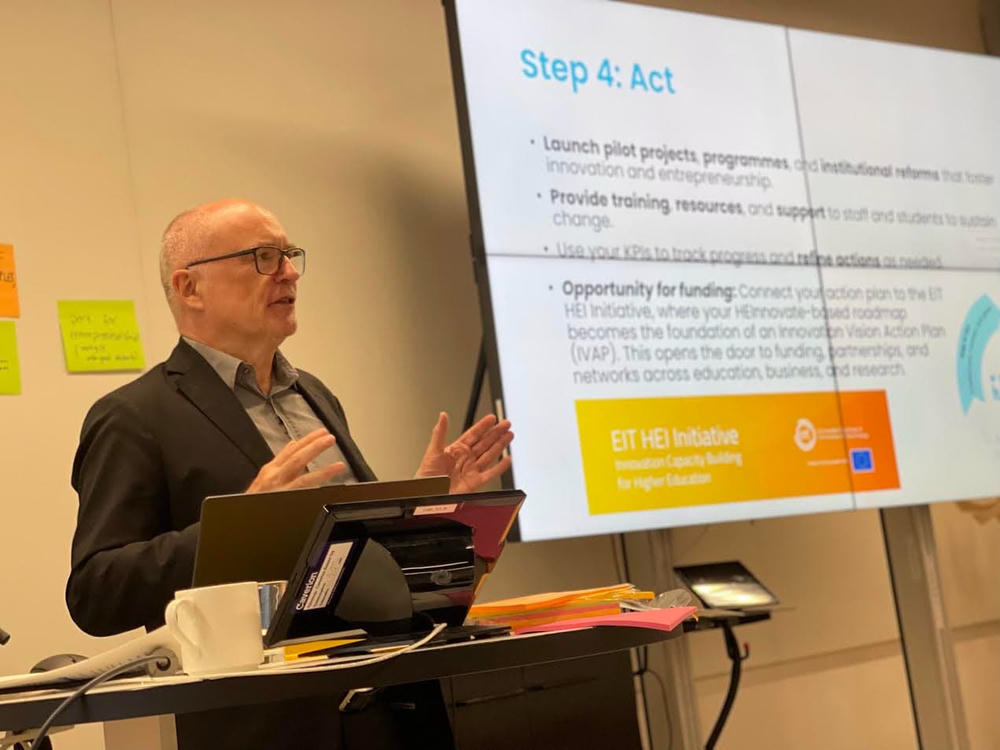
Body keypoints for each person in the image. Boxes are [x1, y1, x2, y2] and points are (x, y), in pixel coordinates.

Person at [64, 198, 513, 748]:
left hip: (386, 709)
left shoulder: (313, 394)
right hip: (268, 726)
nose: (289, 272)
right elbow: (96, 592)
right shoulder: (133, 416)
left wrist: (422, 505)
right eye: (263, 256)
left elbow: (346, 557)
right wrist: (241, 526)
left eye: (289, 255)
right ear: (190, 288)